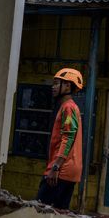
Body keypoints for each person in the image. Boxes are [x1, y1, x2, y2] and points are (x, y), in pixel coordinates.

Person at [36, 68, 83, 210]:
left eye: (57, 83)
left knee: (38, 210)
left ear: (68, 86)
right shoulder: (69, 107)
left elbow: (68, 137)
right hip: (69, 170)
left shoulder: (68, 108)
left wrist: (55, 167)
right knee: (60, 215)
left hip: (61, 170)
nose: (53, 87)